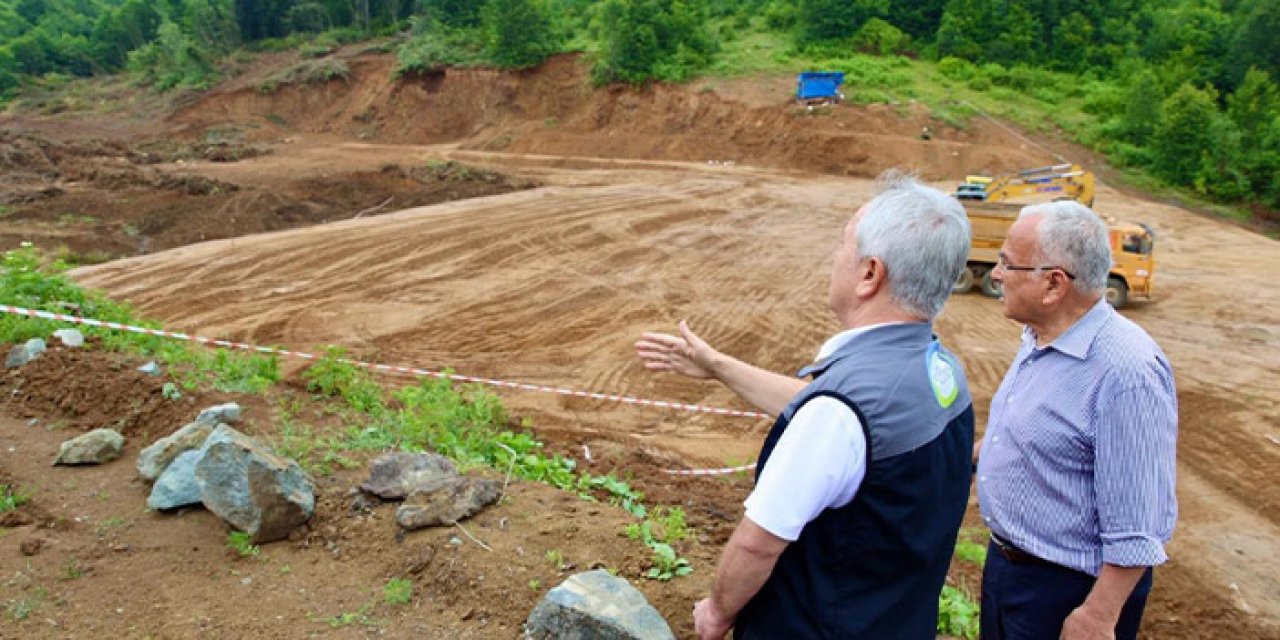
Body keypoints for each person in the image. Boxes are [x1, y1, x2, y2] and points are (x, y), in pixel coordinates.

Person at [635, 172, 975, 639]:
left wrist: (717, 612)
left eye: (843, 245)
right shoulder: (940, 370)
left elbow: (757, 544)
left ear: (870, 274)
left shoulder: (839, 413)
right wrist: (717, 365)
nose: (835, 257)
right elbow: (841, 425)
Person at [975, 201, 1178, 640]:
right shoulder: (1039, 336)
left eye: (1008, 264)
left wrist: (1099, 615)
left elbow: (1140, 521)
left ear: (1053, 284)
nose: (994, 274)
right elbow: (1029, 437)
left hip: (1068, 591)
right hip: (1009, 571)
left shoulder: (1126, 373)